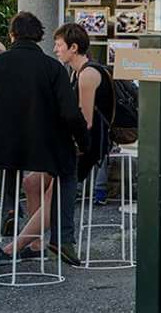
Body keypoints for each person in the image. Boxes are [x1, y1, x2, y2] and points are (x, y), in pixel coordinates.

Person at [0, 12, 90, 265]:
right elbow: (70, 113)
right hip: (45, 146)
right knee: (68, 171)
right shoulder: (52, 68)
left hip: (4, 145)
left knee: (13, 168)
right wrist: (84, 143)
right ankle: (63, 238)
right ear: (39, 36)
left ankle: (10, 210)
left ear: (12, 35)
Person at [53, 23, 113, 227]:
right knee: (32, 182)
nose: (55, 49)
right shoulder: (75, 73)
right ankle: (35, 241)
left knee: (50, 189)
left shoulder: (87, 75)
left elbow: (85, 123)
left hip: (92, 145)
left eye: (59, 45)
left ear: (74, 48)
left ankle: (20, 244)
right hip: (83, 142)